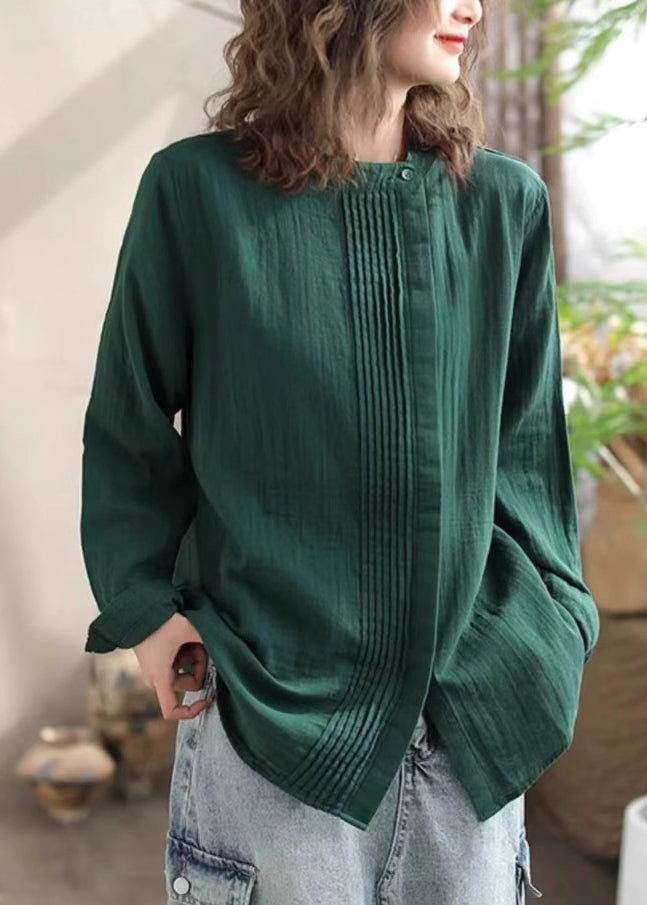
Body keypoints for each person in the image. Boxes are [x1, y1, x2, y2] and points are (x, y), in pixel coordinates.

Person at [80, 0, 600, 901]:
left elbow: (526, 460)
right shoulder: (195, 193)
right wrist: (148, 611)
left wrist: (553, 627)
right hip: (270, 729)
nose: (473, 7)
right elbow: (127, 428)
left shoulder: (502, 205)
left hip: (470, 730)